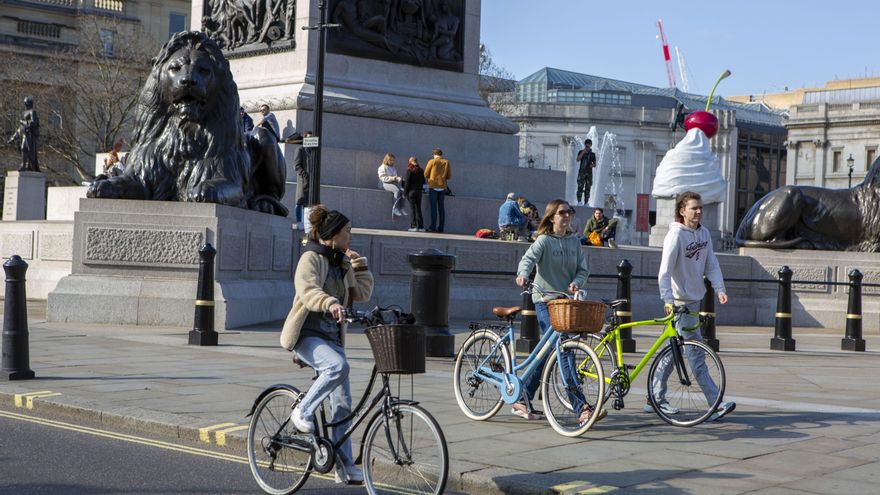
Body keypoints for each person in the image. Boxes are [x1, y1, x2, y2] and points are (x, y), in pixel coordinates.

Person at [280, 205, 374, 485]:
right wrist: (330, 302)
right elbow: (308, 291)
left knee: (343, 405)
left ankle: (343, 465)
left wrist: (358, 264)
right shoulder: (310, 258)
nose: (351, 237)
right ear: (333, 235)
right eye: (347, 232)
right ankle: (303, 411)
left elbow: (363, 293)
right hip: (307, 336)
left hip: (332, 339)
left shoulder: (340, 262)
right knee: (338, 366)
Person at [515, 199, 605, 425]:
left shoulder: (574, 242)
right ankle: (581, 407)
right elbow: (528, 260)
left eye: (569, 212)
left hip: (565, 304)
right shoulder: (544, 240)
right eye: (562, 212)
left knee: (547, 353)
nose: (567, 216)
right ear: (552, 217)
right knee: (564, 350)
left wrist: (576, 282)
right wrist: (523, 274)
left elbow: (583, 269)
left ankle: (521, 395)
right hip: (545, 301)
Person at [651, 191, 735, 421]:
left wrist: (720, 289)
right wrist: (668, 300)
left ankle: (654, 396)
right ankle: (715, 402)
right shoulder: (675, 235)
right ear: (682, 210)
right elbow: (664, 272)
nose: (698, 212)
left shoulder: (705, 233)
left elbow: (712, 264)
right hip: (680, 303)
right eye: (693, 208)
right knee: (696, 354)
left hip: (693, 301)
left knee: (672, 352)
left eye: (700, 208)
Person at [7, 96, 40, 172]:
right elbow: (20, 128)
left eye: (26, 103)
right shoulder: (24, 113)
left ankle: (26, 165)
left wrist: (23, 122)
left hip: (30, 135)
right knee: (23, 149)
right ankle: (25, 165)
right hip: (24, 134)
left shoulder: (32, 112)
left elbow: (33, 123)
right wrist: (13, 137)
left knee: (26, 149)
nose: (25, 104)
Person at [424, 148, 451, 232]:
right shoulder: (446, 162)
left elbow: (425, 174)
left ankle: (432, 227)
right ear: (441, 154)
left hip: (433, 187)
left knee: (433, 208)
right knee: (441, 208)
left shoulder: (431, 161)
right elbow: (449, 176)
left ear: (433, 154)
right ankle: (441, 227)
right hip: (442, 187)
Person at [293, 131, 315, 223]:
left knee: (309, 203)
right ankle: (299, 222)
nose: (310, 139)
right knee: (299, 202)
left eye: (312, 137)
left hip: (312, 181)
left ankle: (307, 222)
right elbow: (296, 165)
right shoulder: (300, 149)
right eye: (309, 137)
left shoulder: (313, 151)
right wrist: (304, 175)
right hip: (303, 181)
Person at [377, 153, 407, 218]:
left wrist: (398, 178)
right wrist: (393, 178)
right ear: (387, 160)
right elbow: (383, 178)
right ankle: (395, 209)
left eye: (393, 160)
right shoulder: (382, 167)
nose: (392, 162)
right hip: (383, 183)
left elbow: (395, 176)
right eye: (391, 160)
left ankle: (401, 208)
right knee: (396, 190)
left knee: (403, 190)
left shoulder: (393, 168)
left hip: (391, 183)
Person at [403, 156, 426, 231]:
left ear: (410, 162)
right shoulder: (421, 170)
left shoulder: (409, 170)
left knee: (412, 209)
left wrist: (404, 193)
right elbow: (423, 182)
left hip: (411, 192)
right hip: (419, 192)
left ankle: (413, 226)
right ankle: (421, 227)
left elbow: (407, 183)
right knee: (418, 209)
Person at [576, 139, 596, 206]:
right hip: (581, 173)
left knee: (588, 188)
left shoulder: (592, 154)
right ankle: (579, 201)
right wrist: (583, 152)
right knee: (580, 187)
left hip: (589, 173)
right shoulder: (581, 152)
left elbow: (595, 164)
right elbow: (578, 159)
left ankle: (586, 202)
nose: (588, 146)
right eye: (586, 145)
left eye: (589, 145)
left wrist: (592, 165)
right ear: (585, 145)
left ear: (591, 145)